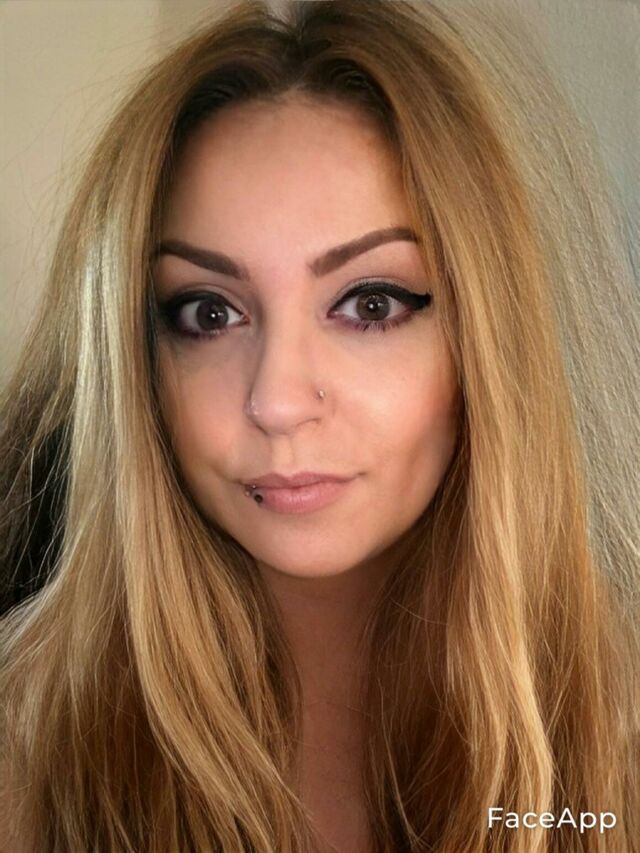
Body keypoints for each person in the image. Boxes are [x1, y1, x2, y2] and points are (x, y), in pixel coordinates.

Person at [1, 0, 638, 850]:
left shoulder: (611, 737)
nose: (277, 400)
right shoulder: (31, 749)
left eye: (370, 304)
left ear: (487, 338)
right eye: (207, 313)